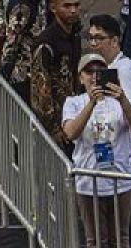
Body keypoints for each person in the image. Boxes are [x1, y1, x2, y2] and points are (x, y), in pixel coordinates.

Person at [62, 53, 131, 248]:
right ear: (81, 77)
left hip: (120, 179)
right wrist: (91, 103)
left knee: (120, 238)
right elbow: (71, 133)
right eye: (89, 72)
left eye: (100, 71)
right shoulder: (73, 103)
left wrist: (120, 98)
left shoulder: (119, 102)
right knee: (96, 240)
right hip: (89, 181)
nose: (94, 76)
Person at [86, 14, 131, 178]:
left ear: (114, 41)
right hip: (110, 155)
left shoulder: (125, 69)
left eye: (99, 38)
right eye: (90, 38)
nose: (93, 43)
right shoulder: (103, 70)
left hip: (129, 158)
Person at [29, 0, 81, 145]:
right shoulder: (45, 42)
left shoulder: (75, 37)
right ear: (53, 8)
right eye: (67, 5)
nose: (73, 10)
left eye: (76, 5)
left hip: (73, 116)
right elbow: (40, 89)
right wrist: (53, 128)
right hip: (54, 125)